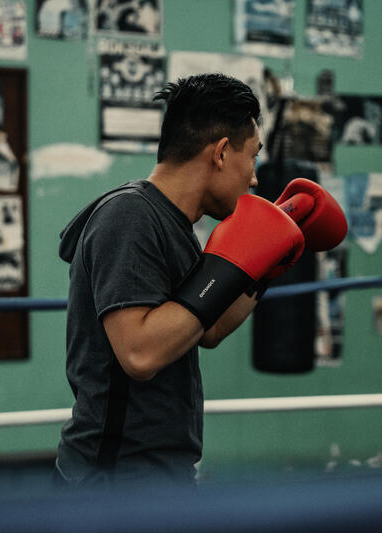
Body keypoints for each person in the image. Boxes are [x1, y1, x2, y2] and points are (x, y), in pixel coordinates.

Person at [54, 73, 308, 489]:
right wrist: (229, 266)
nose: (256, 178)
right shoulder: (129, 218)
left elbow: (204, 328)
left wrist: (264, 268)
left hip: (159, 474)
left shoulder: (174, 224)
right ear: (222, 153)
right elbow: (139, 353)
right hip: (111, 483)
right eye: (254, 157)